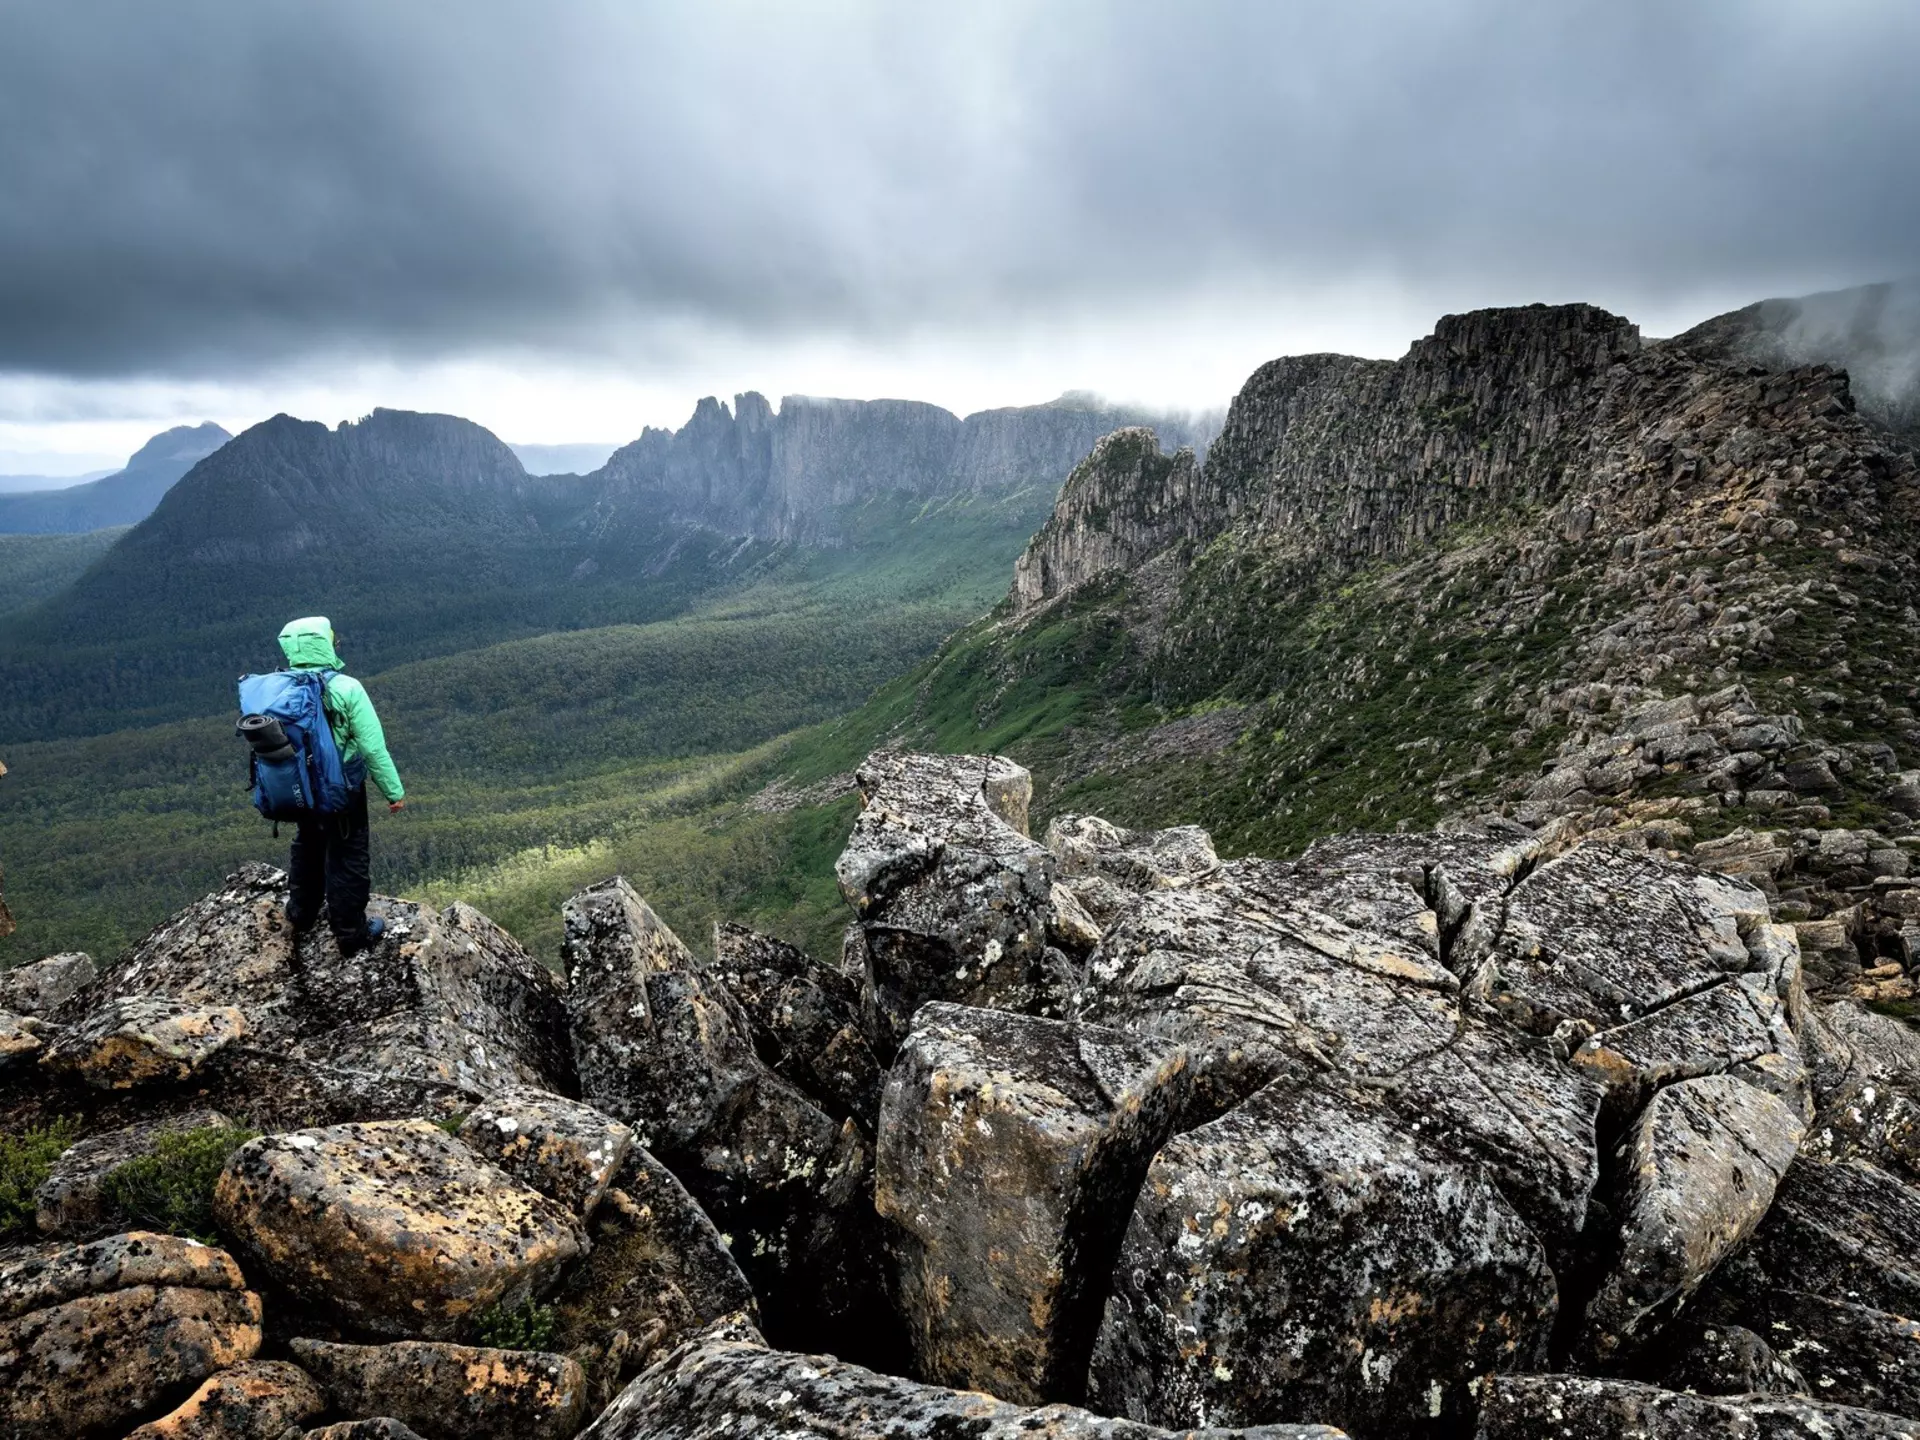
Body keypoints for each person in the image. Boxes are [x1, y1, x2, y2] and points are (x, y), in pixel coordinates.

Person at [275, 616, 405, 953]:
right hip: (341, 789)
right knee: (347, 853)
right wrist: (393, 792)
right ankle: (350, 934)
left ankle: (301, 912)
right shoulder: (347, 688)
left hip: (299, 788)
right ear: (326, 644)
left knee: (308, 844)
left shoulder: (279, 686)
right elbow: (372, 748)